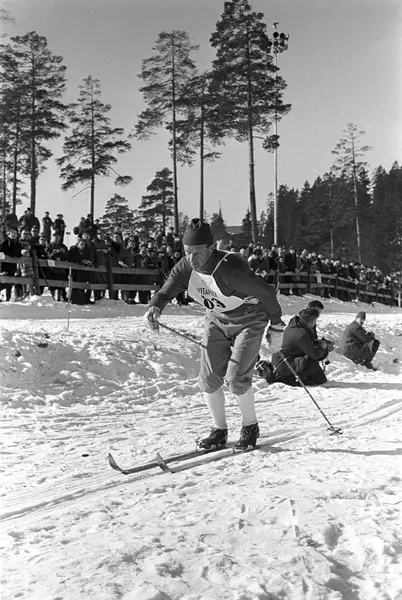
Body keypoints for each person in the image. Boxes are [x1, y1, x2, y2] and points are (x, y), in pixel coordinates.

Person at [143, 218, 284, 451]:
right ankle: (219, 430)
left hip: (249, 320)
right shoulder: (185, 268)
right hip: (217, 319)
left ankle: (250, 427)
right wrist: (154, 307)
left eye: (198, 252)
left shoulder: (231, 270)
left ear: (212, 248)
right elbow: (166, 291)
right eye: (187, 252)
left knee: (236, 378)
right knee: (209, 379)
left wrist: (277, 326)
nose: (192, 258)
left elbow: (267, 294)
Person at [270, 307, 332, 386]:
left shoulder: (294, 326)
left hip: (280, 361)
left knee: (316, 372)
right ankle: (288, 379)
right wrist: (323, 347)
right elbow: (314, 355)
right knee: (312, 364)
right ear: (312, 321)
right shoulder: (301, 333)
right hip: (284, 365)